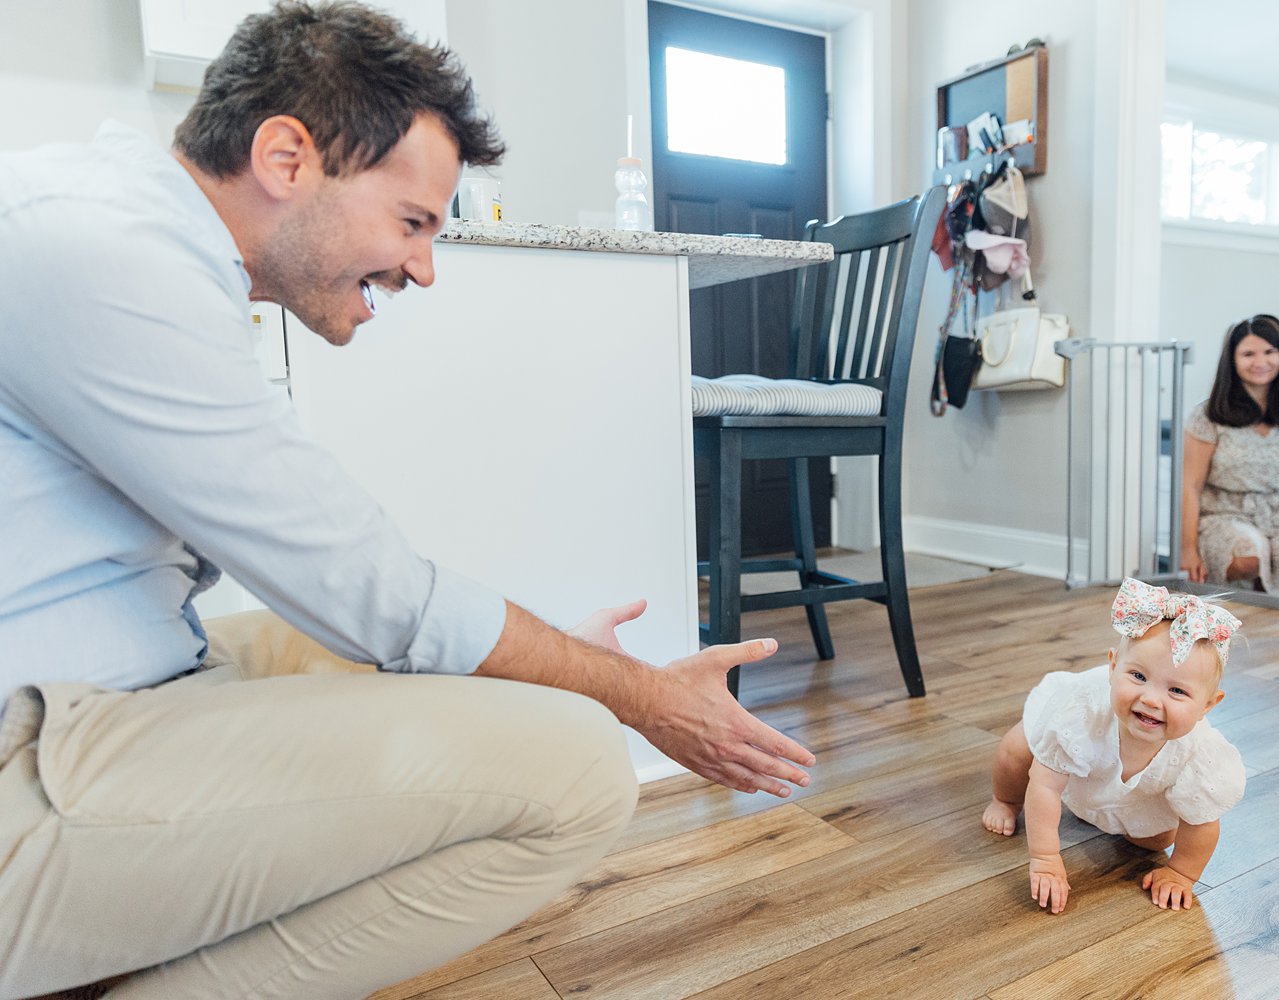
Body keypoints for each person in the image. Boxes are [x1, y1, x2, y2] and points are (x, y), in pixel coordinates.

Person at [0, 3, 813, 997]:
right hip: (24, 750)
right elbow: (364, 582)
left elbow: (365, 589)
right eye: (414, 222)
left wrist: (566, 668)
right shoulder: (102, 257)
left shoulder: (148, 245)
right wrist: (633, 694)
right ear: (287, 158)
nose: (423, 266)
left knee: (452, 674)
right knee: (576, 773)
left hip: (125, 678)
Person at [981, 579, 1245, 914]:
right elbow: (1045, 785)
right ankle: (1003, 798)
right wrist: (1045, 859)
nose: (1150, 699)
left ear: (1209, 704)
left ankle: (1112, 816)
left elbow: (1203, 821)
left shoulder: (1200, 753)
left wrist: (1181, 874)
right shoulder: (1081, 713)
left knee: (1159, 840)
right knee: (1016, 752)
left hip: (1133, 796)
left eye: (1176, 691)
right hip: (1072, 770)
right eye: (1137, 677)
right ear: (1112, 667)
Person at [1182, 314, 1279, 601]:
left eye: (1269, 352)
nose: (1260, 362)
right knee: (1248, 556)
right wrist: (1188, 548)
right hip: (1223, 513)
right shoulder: (1208, 416)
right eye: (1248, 354)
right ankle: (1245, 624)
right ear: (1232, 360)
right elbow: (1190, 486)